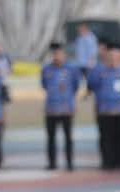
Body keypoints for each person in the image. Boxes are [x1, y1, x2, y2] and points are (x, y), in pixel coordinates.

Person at [41, 42, 79, 171]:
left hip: (66, 108)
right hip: (51, 108)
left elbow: (75, 85)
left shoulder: (71, 69)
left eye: (59, 53)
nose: (57, 56)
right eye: (55, 53)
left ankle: (69, 162)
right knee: (51, 137)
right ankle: (52, 163)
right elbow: (44, 85)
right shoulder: (46, 69)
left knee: (68, 137)